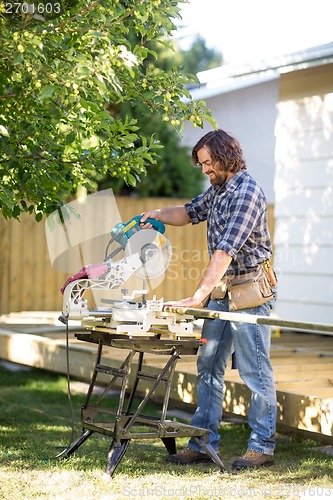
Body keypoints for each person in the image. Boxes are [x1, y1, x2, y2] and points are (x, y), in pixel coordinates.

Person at [140, 129, 277, 471]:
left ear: (226, 155)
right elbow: (188, 212)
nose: (204, 170)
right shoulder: (217, 191)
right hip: (223, 291)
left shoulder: (247, 192)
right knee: (209, 366)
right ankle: (203, 441)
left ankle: (262, 446)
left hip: (249, 292)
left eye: (208, 163)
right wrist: (156, 213)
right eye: (201, 164)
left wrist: (198, 295)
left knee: (254, 371)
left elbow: (225, 251)